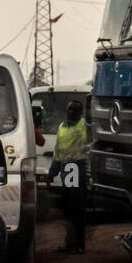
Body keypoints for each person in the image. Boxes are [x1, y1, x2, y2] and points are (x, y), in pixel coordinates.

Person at [48, 99, 90, 254]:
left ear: (81, 112)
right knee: (68, 208)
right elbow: (58, 150)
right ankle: (70, 243)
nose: (71, 112)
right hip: (67, 170)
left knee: (76, 209)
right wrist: (52, 172)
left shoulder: (85, 126)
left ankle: (78, 245)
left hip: (78, 168)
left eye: (75, 110)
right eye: (69, 109)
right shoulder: (62, 126)